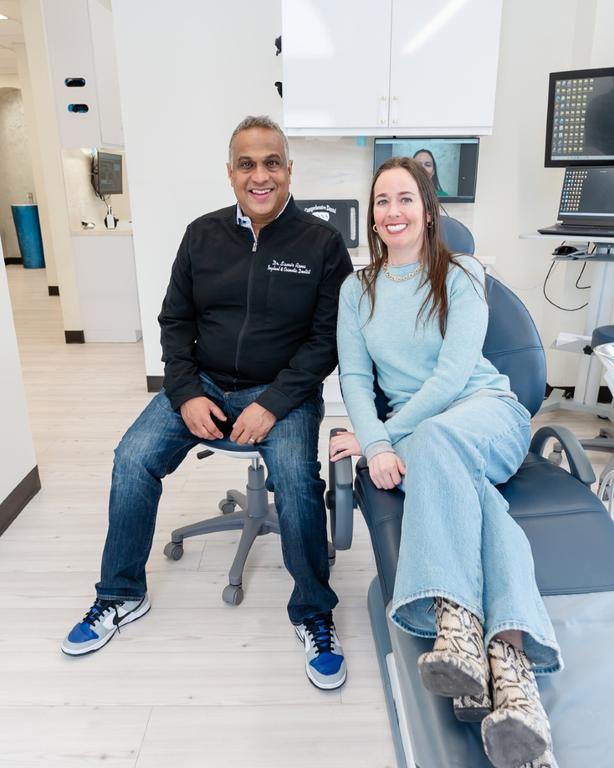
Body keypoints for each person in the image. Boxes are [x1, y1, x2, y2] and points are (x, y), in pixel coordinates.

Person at [62, 115, 353, 691]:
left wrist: (272, 404)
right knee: (132, 457)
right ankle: (121, 595)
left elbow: (327, 341)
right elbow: (175, 322)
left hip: (284, 395)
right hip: (206, 385)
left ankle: (313, 613)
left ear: (290, 170)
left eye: (272, 162)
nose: (260, 175)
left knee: (295, 478)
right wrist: (187, 392)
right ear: (230, 173)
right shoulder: (201, 235)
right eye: (247, 164)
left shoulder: (322, 245)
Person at [330, 156, 562, 766]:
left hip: (485, 413)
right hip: (423, 438)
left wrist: (387, 438)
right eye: (382, 201)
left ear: (429, 210)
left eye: (405, 198)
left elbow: (455, 374)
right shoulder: (357, 289)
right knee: (483, 508)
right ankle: (514, 681)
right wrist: (375, 442)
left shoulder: (461, 272)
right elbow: (354, 377)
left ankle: (454, 619)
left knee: (438, 442)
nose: (392, 211)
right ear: (372, 216)